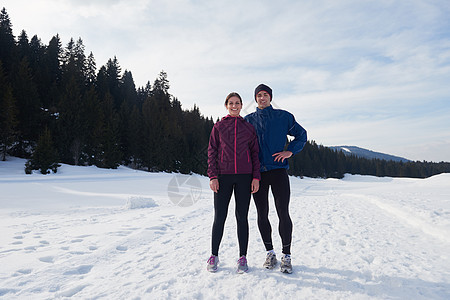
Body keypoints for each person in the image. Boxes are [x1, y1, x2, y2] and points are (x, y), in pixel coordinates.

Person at [244, 84, 307, 274]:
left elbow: (301, 135)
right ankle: (269, 253)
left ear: (270, 97)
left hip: (279, 171)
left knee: (283, 212)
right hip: (258, 175)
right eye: (259, 95)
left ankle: (286, 256)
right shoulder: (248, 121)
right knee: (262, 214)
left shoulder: (283, 117)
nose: (262, 98)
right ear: (255, 99)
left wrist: (290, 151)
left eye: (265, 95)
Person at [206, 92, 261, 274]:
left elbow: (255, 154)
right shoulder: (219, 127)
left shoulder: (248, 128)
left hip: (245, 177)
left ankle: (242, 257)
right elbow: (212, 151)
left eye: (237, 103)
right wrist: (213, 176)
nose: (234, 106)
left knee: (242, 217)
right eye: (231, 103)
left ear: (241, 105)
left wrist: (256, 177)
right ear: (226, 105)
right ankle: (214, 255)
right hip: (223, 177)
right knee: (219, 217)